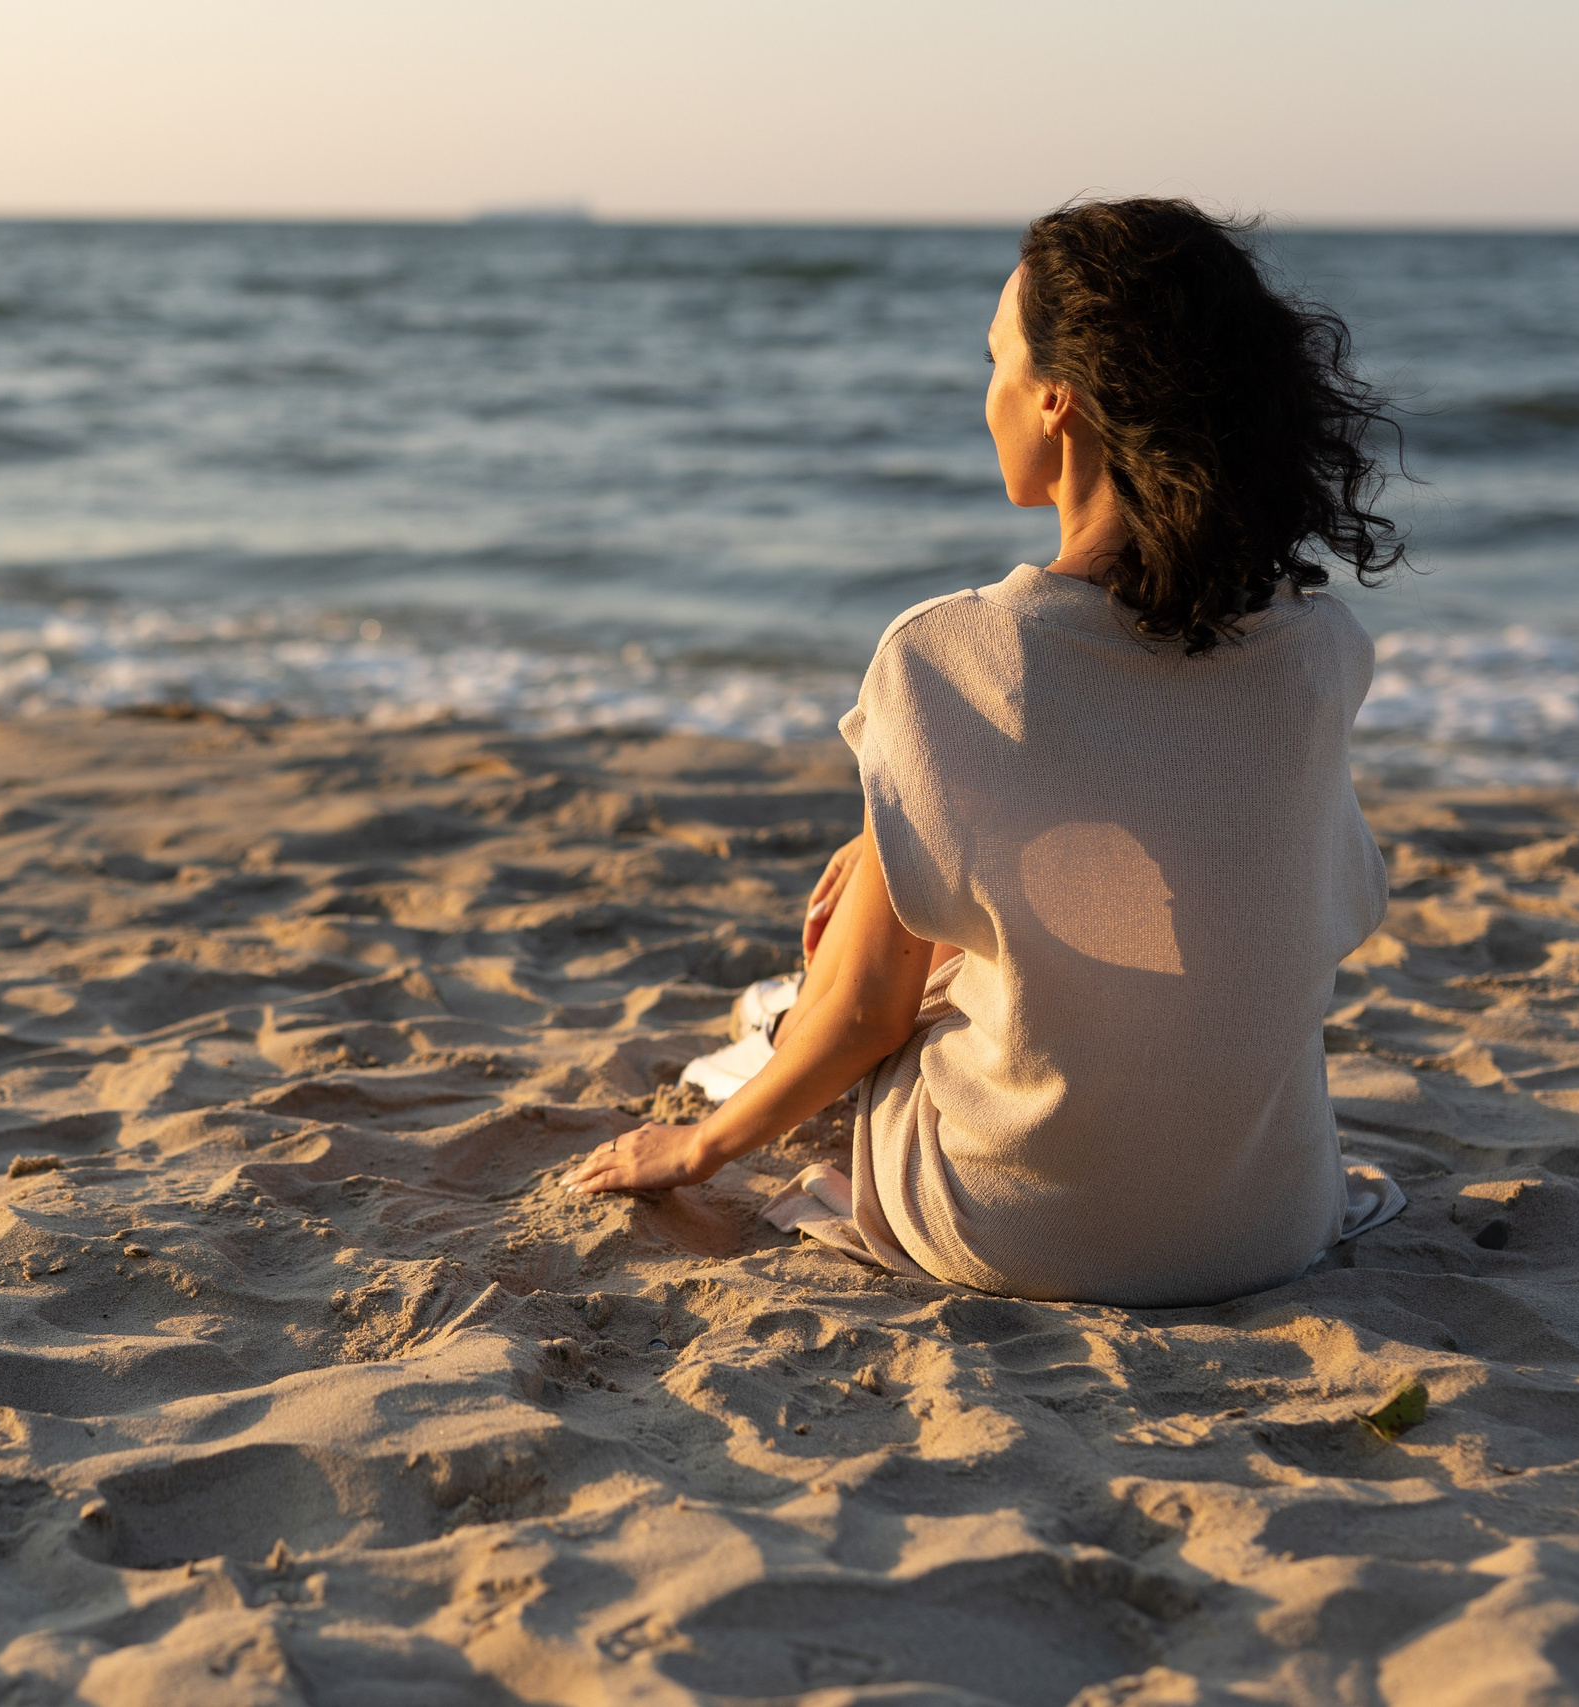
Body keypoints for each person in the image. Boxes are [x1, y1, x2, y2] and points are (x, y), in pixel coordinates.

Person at [562, 198, 1409, 1308]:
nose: (986, 395)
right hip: (1266, 1223)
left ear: (1057, 399)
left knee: (869, 959)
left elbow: (866, 1019)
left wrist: (696, 1152)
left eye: (995, 361)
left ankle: (772, 1018)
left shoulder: (948, 657)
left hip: (1020, 1231)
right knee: (941, 876)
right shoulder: (1317, 652)